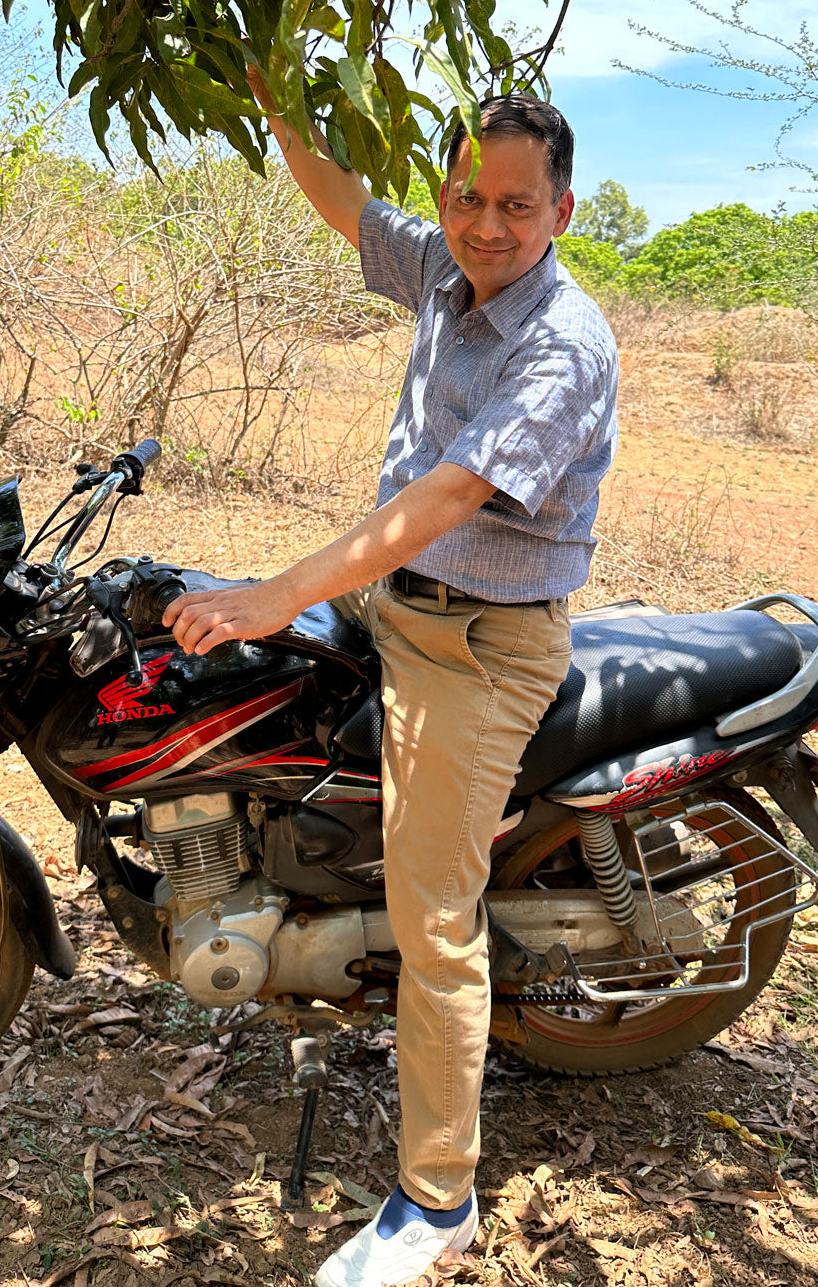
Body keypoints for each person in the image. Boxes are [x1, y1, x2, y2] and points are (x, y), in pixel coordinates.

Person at [161, 82, 618, 1287]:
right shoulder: (445, 274)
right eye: (468, 196)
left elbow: (451, 497)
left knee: (436, 922)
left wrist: (278, 587)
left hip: (480, 642)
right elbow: (347, 205)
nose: (487, 223)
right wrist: (275, 96)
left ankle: (438, 1197)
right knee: (209, 686)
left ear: (562, 209)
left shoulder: (562, 341)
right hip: (396, 593)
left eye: (517, 203)